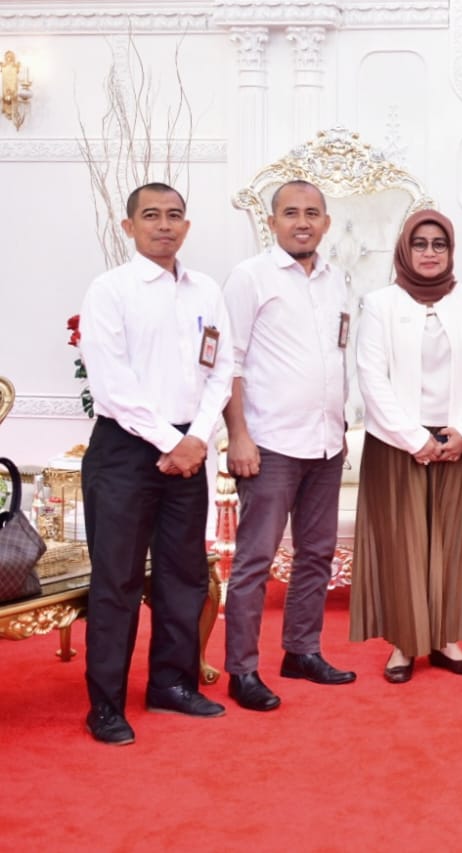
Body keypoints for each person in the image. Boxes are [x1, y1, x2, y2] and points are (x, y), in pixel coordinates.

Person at [78, 182, 233, 745]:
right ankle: (106, 705)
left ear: (187, 227)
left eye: (174, 216)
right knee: (117, 581)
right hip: (125, 450)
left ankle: (172, 683)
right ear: (129, 227)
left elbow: (222, 370)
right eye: (151, 216)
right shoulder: (109, 290)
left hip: (188, 452)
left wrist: (194, 439)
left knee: (183, 575)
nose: (164, 225)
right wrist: (173, 440)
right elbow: (112, 385)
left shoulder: (206, 290)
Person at [221, 180, 356, 712]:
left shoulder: (336, 279)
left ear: (326, 222)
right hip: (269, 443)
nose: (303, 222)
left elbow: (339, 353)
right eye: (291, 213)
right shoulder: (249, 277)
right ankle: (242, 669)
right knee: (255, 560)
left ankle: (301, 650)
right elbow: (227, 361)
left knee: (316, 555)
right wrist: (238, 435)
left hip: (326, 441)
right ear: (272, 221)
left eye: (313, 213)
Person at [349, 209, 462, 683]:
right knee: (403, 544)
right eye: (420, 244)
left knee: (451, 542)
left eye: (439, 245)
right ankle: (403, 644)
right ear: (404, 250)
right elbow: (372, 378)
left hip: (456, 440)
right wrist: (415, 439)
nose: (430, 253)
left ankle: (446, 639)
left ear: (451, 251)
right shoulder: (380, 303)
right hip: (396, 445)